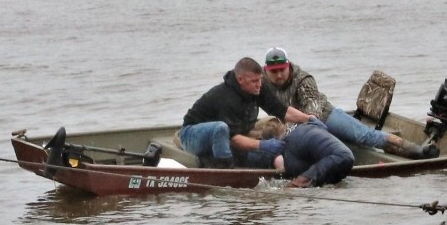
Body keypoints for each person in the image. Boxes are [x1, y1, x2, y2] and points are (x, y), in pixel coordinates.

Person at [260, 47, 433, 159]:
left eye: (281, 70)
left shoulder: (303, 80)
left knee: (364, 136)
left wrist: (292, 131)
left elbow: (313, 112)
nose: (279, 75)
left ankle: (415, 149)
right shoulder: (259, 82)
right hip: (292, 126)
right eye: (273, 72)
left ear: (288, 66)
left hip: (324, 116)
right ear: (266, 70)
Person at [179, 57, 311, 168]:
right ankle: (223, 167)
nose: (259, 84)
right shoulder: (226, 98)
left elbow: (282, 111)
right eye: (254, 81)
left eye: (260, 79)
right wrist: (263, 145)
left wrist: (309, 119)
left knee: (270, 136)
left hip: (231, 136)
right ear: (240, 80)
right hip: (192, 135)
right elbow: (233, 138)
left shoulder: (258, 87)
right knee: (221, 129)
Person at [252, 116, 353, 188]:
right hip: (343, 159)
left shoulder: (287, 145)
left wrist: (299, 181)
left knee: (290, 186)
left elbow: (344, 156)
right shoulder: (304, 128)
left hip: (338, 157)